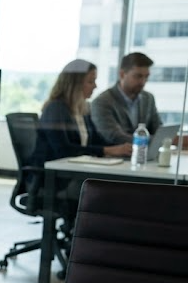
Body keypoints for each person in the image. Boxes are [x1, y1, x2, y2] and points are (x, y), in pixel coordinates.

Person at [30, 60, 132, 208]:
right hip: (55, 179)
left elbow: (96, 140)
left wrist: (122, 149)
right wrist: (107, 150)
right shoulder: (56, 108)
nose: (95, 86)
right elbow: (64, 150)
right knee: (105, 190)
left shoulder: (82, 109)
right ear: (74, 84)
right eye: (91, 81)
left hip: (74, 173)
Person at [90, 52, 162, 146]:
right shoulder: (102, 102)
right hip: (113, 158)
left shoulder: (148, 98)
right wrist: (159, 141)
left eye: (146, 77)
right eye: (138, 76)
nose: (143, 82)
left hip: (143, 156)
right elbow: (115, 136)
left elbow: (158, 130)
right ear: (122, 74)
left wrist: (164, 139)